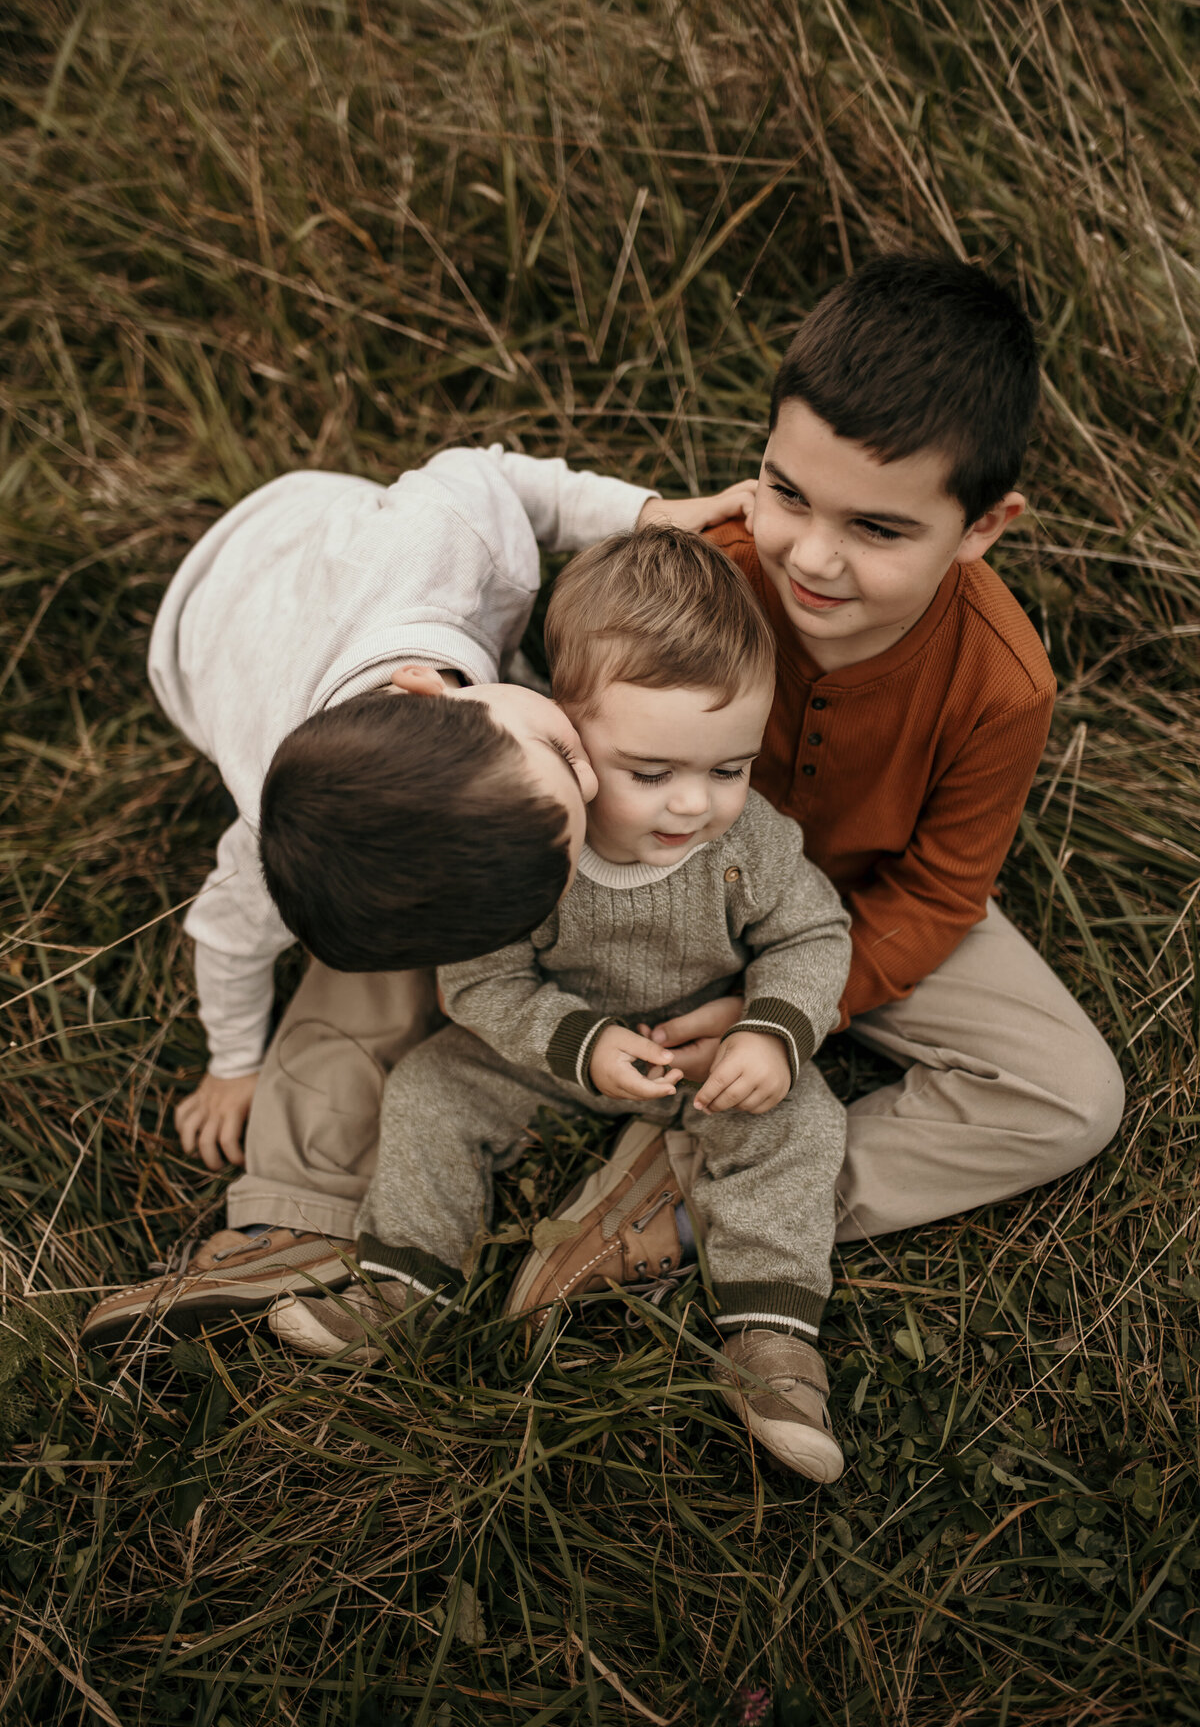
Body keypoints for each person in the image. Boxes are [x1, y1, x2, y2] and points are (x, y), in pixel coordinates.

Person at [80, 449, 752, 1349]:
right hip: (198, 639)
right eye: (566, 762)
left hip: (310, 517)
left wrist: (649, 511)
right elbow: (226, 938)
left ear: (433, 692)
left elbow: (502, 475)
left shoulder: (441, 540)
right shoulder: (262, 839)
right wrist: (230, 1062)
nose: (592, 775)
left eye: (564, 767)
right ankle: (299, 1220)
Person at [534, 253, 1124, 1274]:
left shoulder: (1003, 682)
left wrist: (788, 1012)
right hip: (646, 864)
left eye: (878, 528)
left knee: (1072, 1095)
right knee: (436, 874)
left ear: (983, 527)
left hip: (846, 909)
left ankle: (699, 1202)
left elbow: (941, 894)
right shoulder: (704, 573)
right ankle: (312, 1193)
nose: (809, 555)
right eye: (789, 494)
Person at [272, 527, 853, 1481]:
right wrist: (577, 1044)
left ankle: (774, 1342)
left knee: (801, 1122)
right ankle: (401, 1283)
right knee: (428, 1087)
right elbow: (480, 982)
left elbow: (813, 933)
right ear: (567, 731)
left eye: (728, 767)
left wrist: (774, 1030)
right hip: (552, 1052)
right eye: (651, 773)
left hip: (695, 1058)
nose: (692, 807)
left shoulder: (749, 843)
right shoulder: (533, 846)